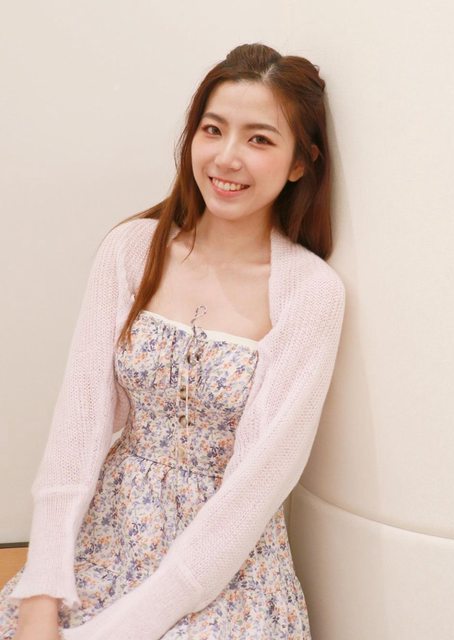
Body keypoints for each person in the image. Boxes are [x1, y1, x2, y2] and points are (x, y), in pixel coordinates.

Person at [0, 42, 346, 639]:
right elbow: (77, 430)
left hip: (226, 567)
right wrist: (41, 590)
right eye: (213, 130)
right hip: (109, 533)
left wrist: (118, 629)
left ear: (300, 163)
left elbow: (259, 484)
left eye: (259, 139)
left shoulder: (311, 293)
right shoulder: (131, 251)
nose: (227, 157)